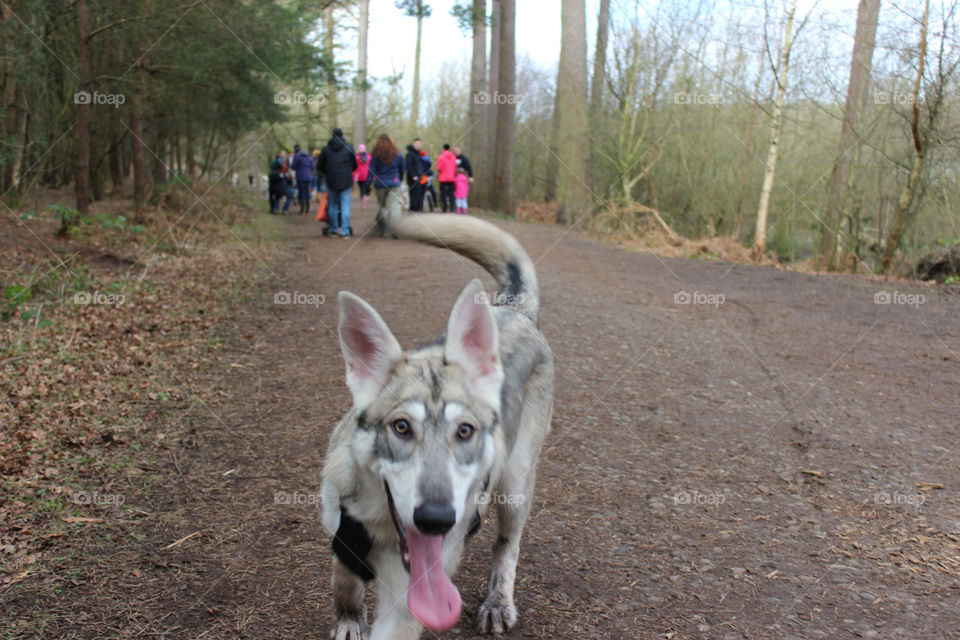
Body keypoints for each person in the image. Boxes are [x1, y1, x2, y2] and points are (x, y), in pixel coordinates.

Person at [317, 128, 357, 238]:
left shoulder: (325, 149)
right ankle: (345, 231)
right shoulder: (349, 148)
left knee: (332, 205)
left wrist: (328, 173)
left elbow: (320, 166)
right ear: (342, 135)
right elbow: (354, 165)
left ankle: (334, 230)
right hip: (346, 181)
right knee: (345, 205)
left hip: (331, 180)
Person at [368, 133, 406, 237]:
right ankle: (396, 230)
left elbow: (371, 169)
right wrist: (400, 179)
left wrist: (368, 183)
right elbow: (402, 168)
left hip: (380, 183)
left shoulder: (376, 154)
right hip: (394, 182)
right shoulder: (397, 153)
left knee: (382, 206)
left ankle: (384, 230)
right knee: (395, 206)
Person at [290, 143, 314, 214]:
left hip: (300, 177)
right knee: (307, 191)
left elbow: (293, 166)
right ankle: (307, 208)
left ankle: (302, 209)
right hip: (309, 177)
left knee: (302, 192)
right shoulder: (309, 157)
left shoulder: (297, 157)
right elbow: (313, 167)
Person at [435, 142, 457, 213]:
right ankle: (452, 207)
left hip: (443, 179)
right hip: (451, 178)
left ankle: (444, 207)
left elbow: (438, 168)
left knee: (443, 193)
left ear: (443, 148)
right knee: (451, 193)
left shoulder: (441, 157)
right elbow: (455, 168)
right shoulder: (453, 157)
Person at [405, 138, 425, 212]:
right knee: (413, 193)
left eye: (419, 144)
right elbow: (409, 166)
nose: (418, 145)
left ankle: (418, 208)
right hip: (413, 177)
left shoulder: (417, 154)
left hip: (419, 176)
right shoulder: (410, 154)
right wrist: (413, 175)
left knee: (418, 193)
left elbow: (418, 165)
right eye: (417, 144)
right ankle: (413, 209)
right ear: (413, 144)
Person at [354, 143, 372, 211]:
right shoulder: (369, 157)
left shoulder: (356, 157)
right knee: (365, 189)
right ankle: (365, 204)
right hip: (367, 175)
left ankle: (364, 202)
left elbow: (354, 166)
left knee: (362, 189)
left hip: (359, 176)